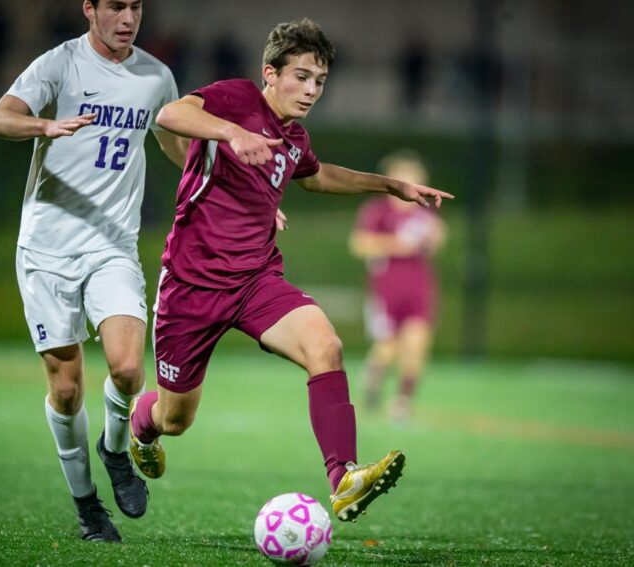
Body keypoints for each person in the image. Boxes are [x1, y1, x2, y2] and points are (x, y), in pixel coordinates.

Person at [127, 18, 453, 523]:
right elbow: (170, 114)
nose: (311, 90)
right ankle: (140, 426)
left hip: (256, 280)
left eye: (319, 81)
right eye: (300, 76)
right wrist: (232, 134)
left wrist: (390, 185)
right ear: (270, 74)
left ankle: (342, 479)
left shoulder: (293, 136)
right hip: (191, 286)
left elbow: (318, 176)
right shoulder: (237, 99)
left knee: (326, 346)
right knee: (175, 419)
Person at [0, 0, 189, 543]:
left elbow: (178, 147)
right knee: (68, 389)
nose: (128, 18)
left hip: (112, 246)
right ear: (90, 9)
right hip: (47, 250)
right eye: (116, 6)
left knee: (126, 368)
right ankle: (87, 507)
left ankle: (115, 452)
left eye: (136, 7)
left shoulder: (155, 77)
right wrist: (43, 125)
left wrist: (235, 188)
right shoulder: (61, 64)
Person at [349, 151, 447, 421]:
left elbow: (437, 240)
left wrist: (436, 237)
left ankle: (403, 400)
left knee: (416, 343)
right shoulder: (378, 211)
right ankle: (373, 381)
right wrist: (396, 245)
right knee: (387, 347)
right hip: (386, 288)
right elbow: (359, 243)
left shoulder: (425, 214)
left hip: (419, 286)